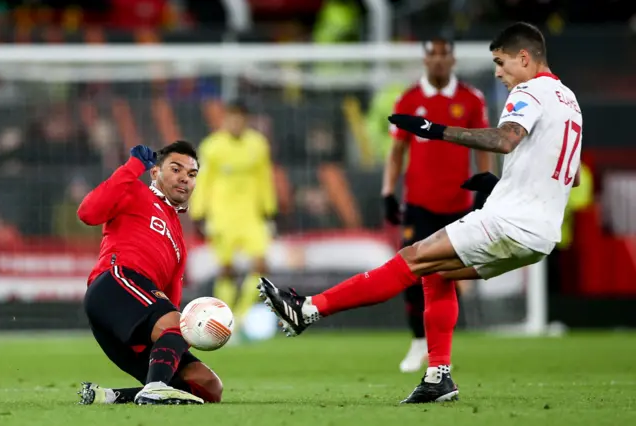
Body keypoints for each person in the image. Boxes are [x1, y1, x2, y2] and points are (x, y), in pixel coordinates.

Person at [258, 22, 583, 404]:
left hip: (507, 223)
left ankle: (307, 310)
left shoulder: (529, 91)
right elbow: (569, 176)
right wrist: (502, 187)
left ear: (524, 58)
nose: (498, 72)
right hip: (540, 237)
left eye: (500, 62)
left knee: (409, 260)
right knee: (434, 273)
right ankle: (438, 377)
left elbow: (504, 139)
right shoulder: (568, 99)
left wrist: (435, 130)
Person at [77, 141, 223, 405]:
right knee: (180, 324)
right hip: (115, 284)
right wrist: (132, 167)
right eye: (176, 169)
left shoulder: (179, 239)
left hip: (138, 311)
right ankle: (155, 387)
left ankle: (108, 397)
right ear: (155, 173)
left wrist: (177, 341)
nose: (184, 179)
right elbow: (87, 213)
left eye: (191, 175)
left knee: (207, 386)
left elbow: (171, 302)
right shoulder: (133, 190)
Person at [382, 38, 493, 373]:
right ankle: (418, 342)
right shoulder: (409, 98)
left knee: (449, 275)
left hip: (459, 204)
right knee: (412, 273)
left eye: (445, 56)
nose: (440, 62)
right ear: (425, 60)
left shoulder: (471, 99)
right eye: (434, 56)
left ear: (453, 60)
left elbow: (484, 143)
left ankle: (440, 351)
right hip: (419, 204)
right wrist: (388, 192)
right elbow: (397, 150)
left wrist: (486, 183)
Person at [189, 101, 277, 335]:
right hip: (222, 215)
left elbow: (264, 177)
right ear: (225, 120)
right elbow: (204, 180)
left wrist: (270, 209)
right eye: (231, 118)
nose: (235, 123)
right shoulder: (213, 147)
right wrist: (199, 213)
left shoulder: (257, 144)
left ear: (246, 120)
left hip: (251, 215)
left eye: (239, 118)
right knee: (226, 270)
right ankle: (224, 319)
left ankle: (240, 317)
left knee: (261, 265)